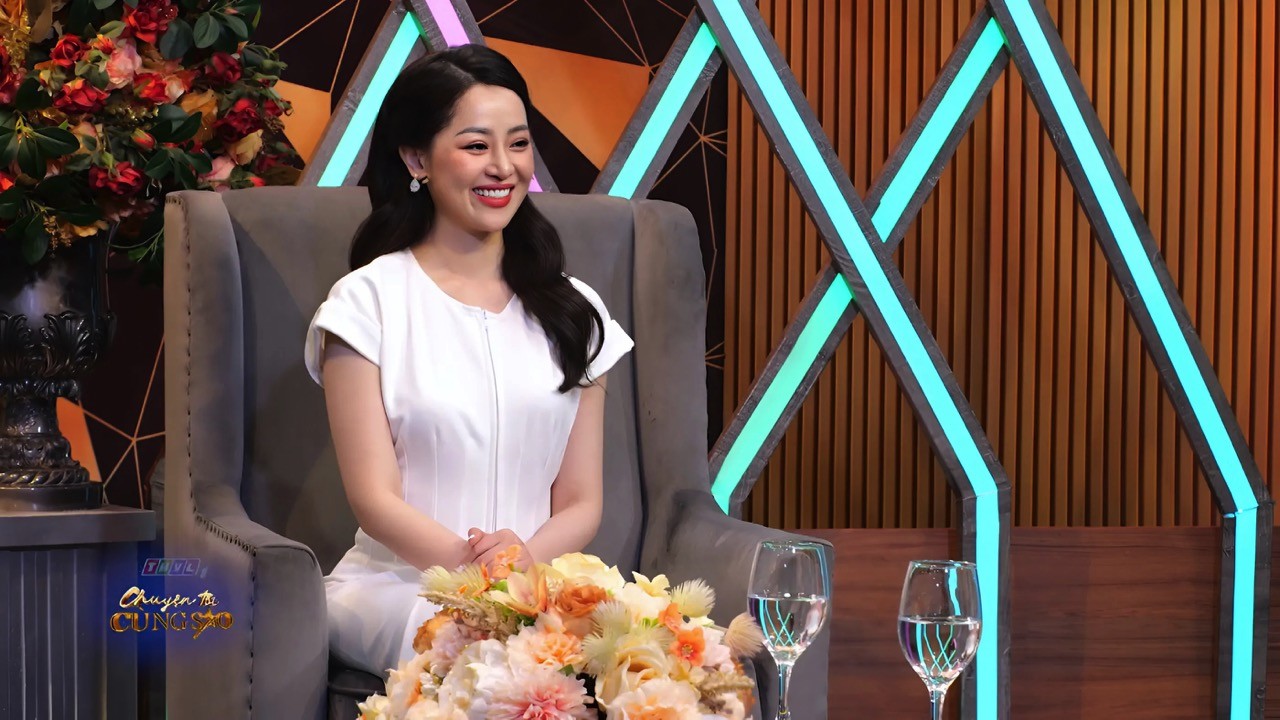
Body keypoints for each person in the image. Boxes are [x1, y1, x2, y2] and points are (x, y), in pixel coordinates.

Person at [302, 44, 633, 677]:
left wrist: (521, 569)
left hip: (539, 581)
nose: (503, 167)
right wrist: (476, 572)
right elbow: (373, 498)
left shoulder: (576, 310)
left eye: (519, 144)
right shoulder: (366, 303)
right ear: (416, 159)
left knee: (649, 656)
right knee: (491, 657)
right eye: (477, 145)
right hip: (401, 587)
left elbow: (582, 501)